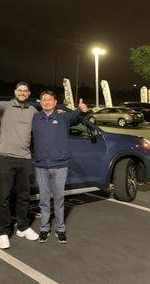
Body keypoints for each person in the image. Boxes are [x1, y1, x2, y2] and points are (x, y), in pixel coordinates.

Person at [32, 90, 90, 244]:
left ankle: (60, 229)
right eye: (44, 100)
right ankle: (44, 228)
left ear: (55, 102)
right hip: (41, 165)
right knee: (44, 199)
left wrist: (82, 111)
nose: (46, 102)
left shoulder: (63, 117)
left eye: (49, 100)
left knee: (58, 199)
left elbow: (77, 117)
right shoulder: (35, 118)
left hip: (59, 165)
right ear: (40, 102)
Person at [0, 82, 39, 249]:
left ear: (28, 94)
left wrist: (62, 114)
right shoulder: (6, 106)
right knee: (4, 197)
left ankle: (23, 226)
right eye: (19, 90)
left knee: (24, 196)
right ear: (15, 92)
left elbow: (44, 122)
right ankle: (3, 232)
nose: (22, 93)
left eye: (25, 91)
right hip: (5, 157)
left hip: (25, 158)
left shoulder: (32, 111)